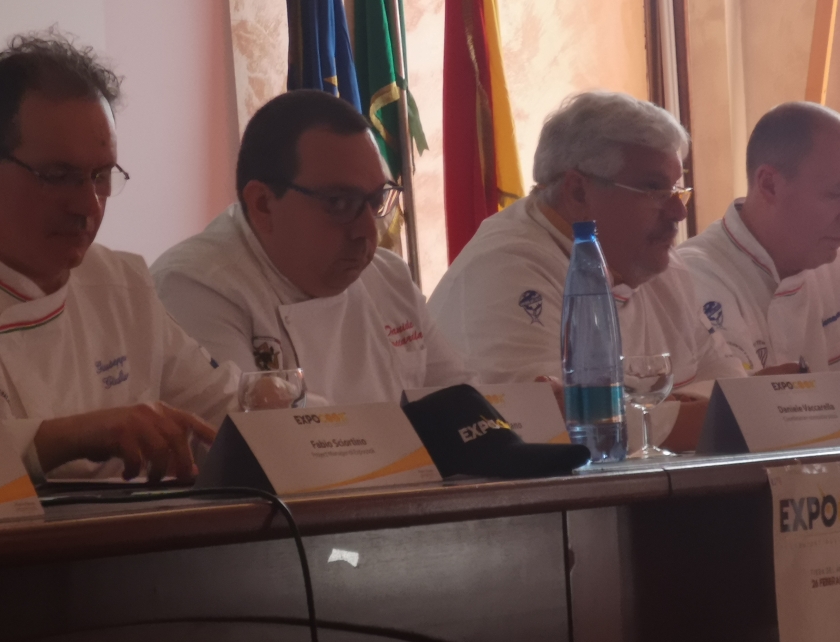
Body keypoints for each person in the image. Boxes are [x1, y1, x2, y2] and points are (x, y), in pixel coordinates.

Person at [428, 91, 746, 451]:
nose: (679, 212)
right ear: (578, 191)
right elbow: (559, 427)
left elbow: (732, 389)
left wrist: (653, 410)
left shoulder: (659, 265)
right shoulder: (504, 271)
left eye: (677, 190)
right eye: (654, 189)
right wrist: (674, 409)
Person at [0, 33, 238, 481]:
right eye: (58, 175)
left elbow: (221, 406)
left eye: (101, 175)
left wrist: (285, 405)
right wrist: (72, 436)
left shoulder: (120, 284)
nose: (88, 205)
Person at [151, 90, 475, 406]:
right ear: (263, 204)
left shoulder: (389, 279)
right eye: (339, 203)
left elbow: (464, 406)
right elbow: (255, 433)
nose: (367, 232)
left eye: (376, 201)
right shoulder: (193, 286)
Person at [679, 102, 840, 418]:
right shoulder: (692, 279)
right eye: (838, 192)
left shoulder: (839, 267)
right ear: (769, 184)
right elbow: (744, 423)